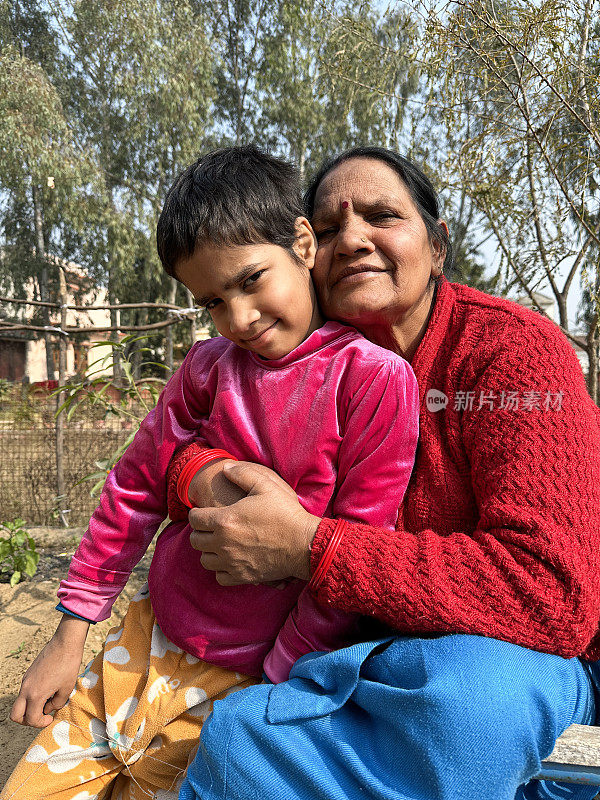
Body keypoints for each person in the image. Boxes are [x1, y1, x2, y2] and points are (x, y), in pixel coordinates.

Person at [170, 147, 600, 800]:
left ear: (437, 244)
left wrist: (310, 547)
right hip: (358, 650)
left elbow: (553, 592)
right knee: (236, 740)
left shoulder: (508, 358)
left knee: (467, 708)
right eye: (330, 227)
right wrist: (202, 473)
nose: (354, 240)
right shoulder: (289, 360)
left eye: (381, 215)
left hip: (517, 661)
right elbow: (170, 444)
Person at [1, 146, 419, 800]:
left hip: (249, 681)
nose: (240, 318)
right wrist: (70, 632)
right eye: (213, 303)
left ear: (303, 243)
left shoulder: (371, 381)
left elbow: (354, 552)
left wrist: (277, 688)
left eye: (252, 280)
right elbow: (134, 486)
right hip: (141, 643)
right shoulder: (207, 370)